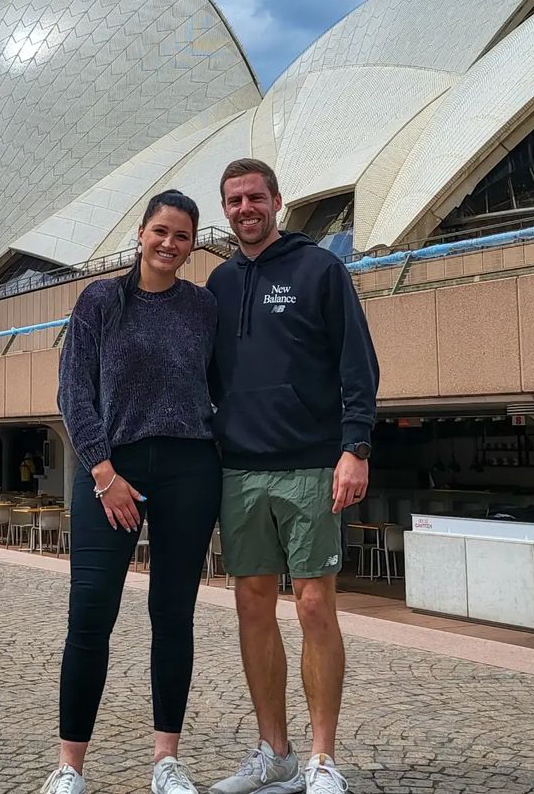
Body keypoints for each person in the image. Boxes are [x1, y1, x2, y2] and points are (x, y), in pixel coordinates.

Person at [40, 190, 222, 794]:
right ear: (140, 233)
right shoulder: (99, 300)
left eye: (182, 236)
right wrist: (103, 473)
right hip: (110, 472)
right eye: (160, 232)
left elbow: (223, 386)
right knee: (90, 613)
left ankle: (166, 760)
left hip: (189, 469)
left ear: (192, 245)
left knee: (173, 614)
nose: (170, 245)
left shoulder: (204, 307)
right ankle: (70, 767)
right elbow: (74, 392)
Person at [208, 159, 379, 794]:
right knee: (252, 607)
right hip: (241, 469)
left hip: (311, 462)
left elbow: (357, 361)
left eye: (255, 197)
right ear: (225, 208)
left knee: (313, 606)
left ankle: (321, 759)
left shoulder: (320, 270)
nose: (245, 209)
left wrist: (354, 446)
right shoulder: (219, 285)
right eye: (234, 200)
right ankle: (273, 752)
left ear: (277, 202)